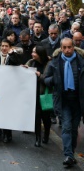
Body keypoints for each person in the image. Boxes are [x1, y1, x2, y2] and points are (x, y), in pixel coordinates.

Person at [44, 38, 84, 167]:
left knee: (73, 129)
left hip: (78, 101)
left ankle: (71, 153)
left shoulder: (80, 61)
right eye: (65, 47)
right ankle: (68, 155)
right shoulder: (55, 62)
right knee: (66, 127)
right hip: (63, 101)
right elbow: (45, 78)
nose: (67, 50)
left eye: (69, 47)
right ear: (61, 48)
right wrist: (54, 80)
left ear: (73, 47)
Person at [24, 44, 51, 147]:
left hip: (44, 94)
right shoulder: (31, 62)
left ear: (40, 54)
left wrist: (40, 76)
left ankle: (46, 135)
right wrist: (24, 69)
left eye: (34, 52)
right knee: (36, 117)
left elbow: (48, 78)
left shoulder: (48, 64)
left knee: (46, 117)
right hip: (33, 94)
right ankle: (38, 138)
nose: (32, 54)